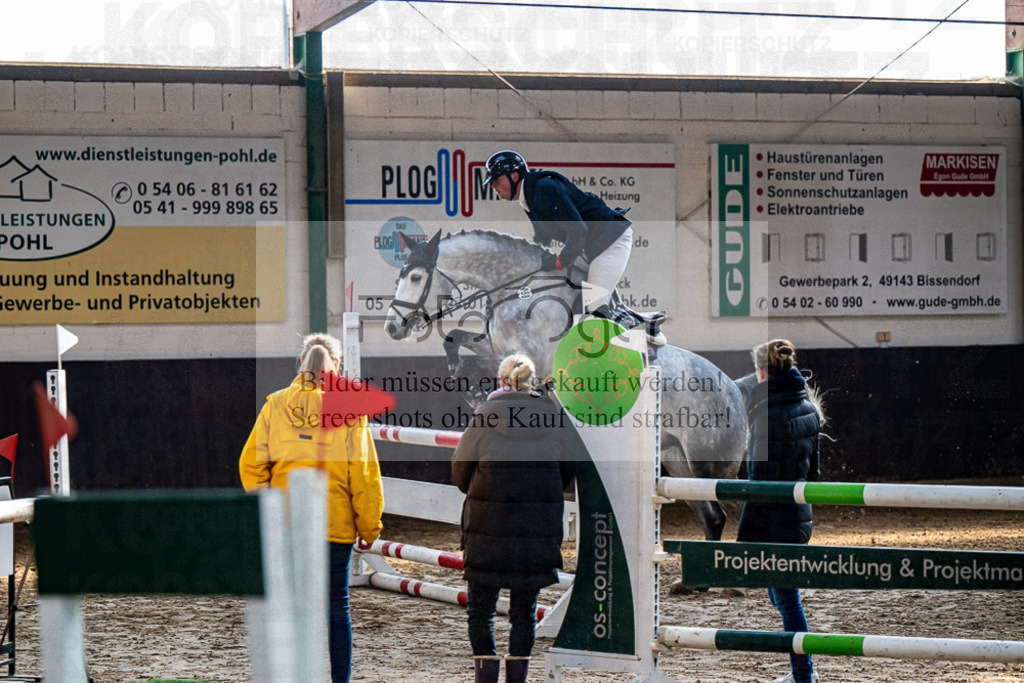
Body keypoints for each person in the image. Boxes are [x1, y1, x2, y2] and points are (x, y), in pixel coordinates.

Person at [239, 333, 384, 683]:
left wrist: (268, 510)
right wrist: (369, 527)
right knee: (337, 606)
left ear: (300, 363)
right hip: (333, 524)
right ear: (338, 366)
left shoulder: (276, 404)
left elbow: (251, 465)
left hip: (287, 524)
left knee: (288, 608)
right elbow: (362, 474)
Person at [451, 354, 574, 683]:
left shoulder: (485, 416)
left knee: (481, 609)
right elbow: (565, 474)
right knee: (524, 611)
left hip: (486, 528)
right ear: (533, 383)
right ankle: (517, 679)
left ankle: (486, 676)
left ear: (501, 381)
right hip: (536, 529)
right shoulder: (554, 417)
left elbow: (460, 472)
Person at [736, 339, 824, 683]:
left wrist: (745, 537)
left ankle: (804, 674)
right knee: (781, 595)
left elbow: (758, 483)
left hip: (775, 522)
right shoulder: (809, 409)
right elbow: (813, 473)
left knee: (787, 601)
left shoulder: (765, 416)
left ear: (761, 372)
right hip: (799, 516)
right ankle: (803, 672)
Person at [483, 149, 633, 319]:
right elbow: (542, 236)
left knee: (595, 304)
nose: (493, 186)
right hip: (591, 246)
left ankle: (623, 339)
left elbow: (578, 231)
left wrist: (560, 261)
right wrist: (532, 263)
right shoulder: (527, 196)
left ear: (515, 176)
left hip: (610, 240)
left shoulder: (543, 188)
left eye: (496, 181)